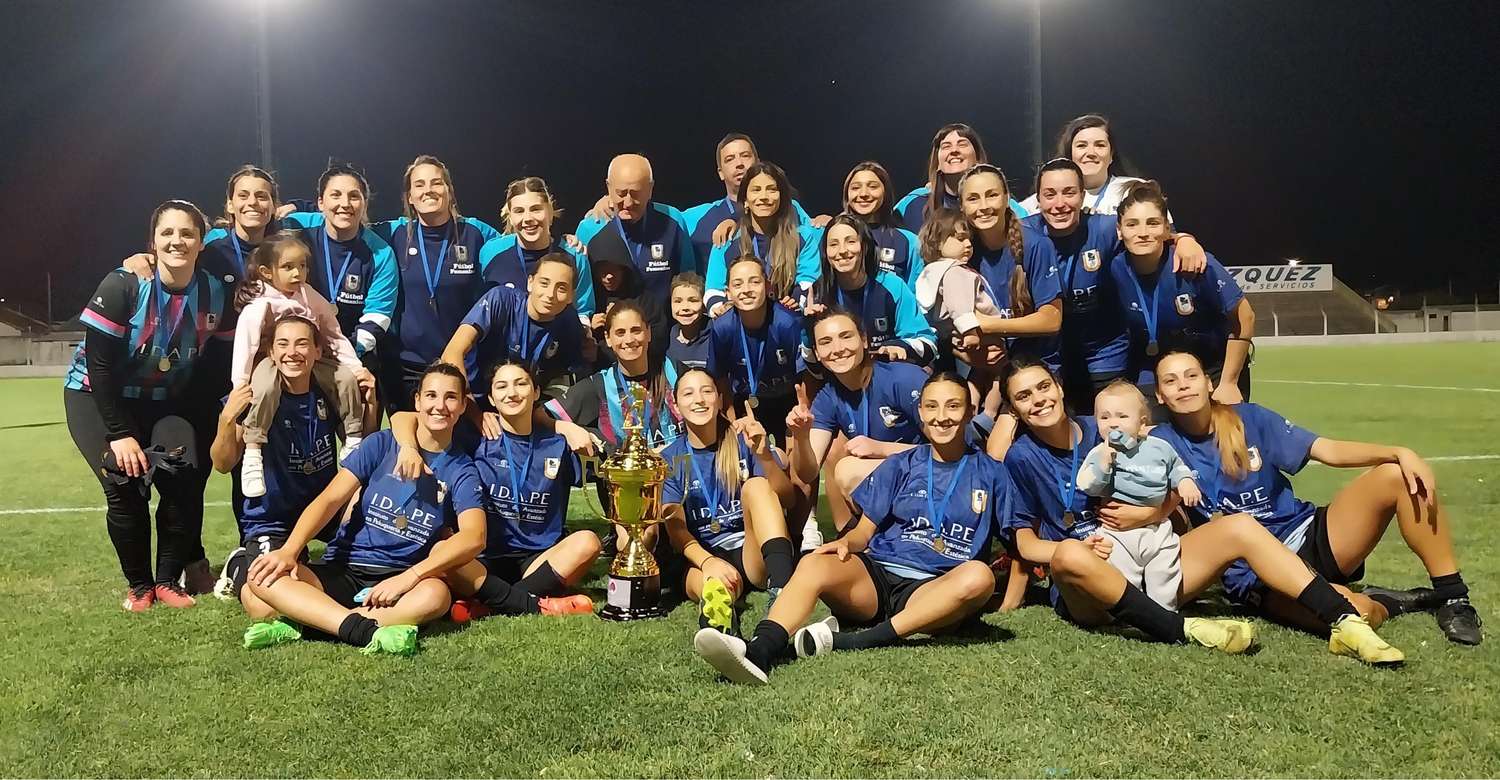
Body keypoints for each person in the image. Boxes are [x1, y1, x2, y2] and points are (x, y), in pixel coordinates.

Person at [997, 358, 1407, 665]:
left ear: (1060, 387)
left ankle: (1344, 622)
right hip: (1093, 581)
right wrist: (1075, 550)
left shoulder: (1111, 421)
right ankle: (1183, 629)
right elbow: (1024, 542)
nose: (1038, 400)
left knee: (1238, 526)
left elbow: (1171, 488)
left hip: (1152, 554)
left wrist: (1151, 514)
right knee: (1069, 554)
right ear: (1013, 409)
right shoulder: (1020, 458)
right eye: (1024, 396)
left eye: (1043, 387)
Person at [693, 372, 1018, 685]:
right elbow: (864, 533)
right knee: (815, 561)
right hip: (876, 578)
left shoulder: (992, 474)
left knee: (979, 576)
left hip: (933, 588)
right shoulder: (901, 464)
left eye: (953, 406)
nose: (941, 416)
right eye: (932, 406)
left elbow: (1017, 544)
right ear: (920, 411)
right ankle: (759, 649)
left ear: (969, 411)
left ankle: (857, 641)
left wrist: (1009, 600)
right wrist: (846, 543)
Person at [1150, 351, 1483, 645]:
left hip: (1307, 533)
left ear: (1209, 384)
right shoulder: (1157, 445)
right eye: (1171, 380)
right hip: (1258, 573)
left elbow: (1328, 450)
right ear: (1160, 396)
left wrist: (1398, 452)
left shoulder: (1249, 418)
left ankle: (1454, 598)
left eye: (1191, 375)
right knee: (1360, 613)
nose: (1183, 385)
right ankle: (1390, 601)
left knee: (1397, 476)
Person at [241, 363, 487, 655]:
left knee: (436, 596)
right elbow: (330, 499)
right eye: (431, 396)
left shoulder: (462, 469)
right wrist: (290, 550)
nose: (440, 406)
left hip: (399, 579)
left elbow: (474, 536)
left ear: (461, 405)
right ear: (417, 401)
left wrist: (409, 577)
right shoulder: (382, 444)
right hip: (345, 568)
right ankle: (363, 628)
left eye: (450, 397)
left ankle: (316, 621)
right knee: (256, 586)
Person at [64, 200, 236, 611]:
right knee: (123, 482)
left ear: (200, 243)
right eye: (168, 233)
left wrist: (219, 415)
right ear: (153, 243)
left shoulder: (215, 292)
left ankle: (166, 582)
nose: (177, 241)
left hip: (163, 400)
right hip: (96, 396)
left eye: (187, 234)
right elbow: (101, 366)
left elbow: (220, 363)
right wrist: (119, 433)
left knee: (182, 475)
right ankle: (139, 584)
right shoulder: (124, 285)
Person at [389, 362, 599, 621]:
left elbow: (604, 460)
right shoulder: (476, 436)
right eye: (502, 386)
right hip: (481, 559)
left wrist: (567, 427)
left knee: (588, 542)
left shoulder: (558, 444)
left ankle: (488, 606)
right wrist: (408, 447)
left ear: (536, 392)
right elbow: (403, 417)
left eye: (521, 384)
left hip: (538, 558)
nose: (512, 393)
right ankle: (530, 602)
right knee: (442, 551)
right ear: (491, 398)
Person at [208, 316, 380, 616]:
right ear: (271, 353)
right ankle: (240, 566)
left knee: (379, 550)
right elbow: (223, 464)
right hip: (270, 518)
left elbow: (363, 453)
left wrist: (371, 403)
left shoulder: (331, 389)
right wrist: (226, 421)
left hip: (323, 511)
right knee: (269, 599)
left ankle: (311, 565)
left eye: (302, 343)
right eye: (283, 344)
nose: (292, 352)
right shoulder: (255, 396)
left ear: (317, 351)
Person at [1023, 158, 1205, 413]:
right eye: (1049, 195)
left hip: (1105, 353)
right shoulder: (1023, 233)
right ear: (1038, 200)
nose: (1059, 204)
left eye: (1069, 193)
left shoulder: (1105, 227)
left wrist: (1185, 239)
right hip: (1052, 357)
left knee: (1113, 423)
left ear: (1083, 195)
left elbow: (1150, 232)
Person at [231, 234, 373, 497]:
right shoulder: (260, 304)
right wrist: (240, 383)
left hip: (309, 362)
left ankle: (353, 440)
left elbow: (333, 333)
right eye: (288, 267)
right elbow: (246, 346)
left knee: (344, 378)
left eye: (303, 266)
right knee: (263, 388)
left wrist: (354, 367)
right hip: (271, 364)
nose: (298, 273)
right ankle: (253, 452)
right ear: (266, 272)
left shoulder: (308, 294)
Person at [661, 368, 798, 637]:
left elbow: (788, 499)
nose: (699, 399)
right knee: (711, 588)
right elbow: (675, 529)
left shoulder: (743, 441)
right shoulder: (671, 458)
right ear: (675, 405)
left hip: (752, 553)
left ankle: (782, 590)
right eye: (688, 393)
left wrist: (766, 457)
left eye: (707, 391)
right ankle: (723, 634)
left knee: (757, 485)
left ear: (720, 399)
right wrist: (708, 562)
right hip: (703, 557)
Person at [1110, 181, 1253, 407]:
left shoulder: (1194, 262)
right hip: (1159, 367)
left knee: (1222, 437)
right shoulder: (1115, 268)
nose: (1143, 233)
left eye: (1153, 223)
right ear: (1119, 230)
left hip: (1214, 367)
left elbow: (1245, 317)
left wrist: (1229, 382)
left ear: (1168, 229)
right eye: (1132, 224)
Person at [786, 310, 927, 537]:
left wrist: (882, 449)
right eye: (826, 342)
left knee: (848, 468)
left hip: (932, 479)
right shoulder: (827, 398)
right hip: (888, 486)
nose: (838, 348)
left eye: (846, 336)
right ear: (818, 354)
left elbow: (956, 451)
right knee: (839, 458)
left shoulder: (905, 379)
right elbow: (807, 472)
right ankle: (865, 536)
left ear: (864, 340)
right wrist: (801, 437)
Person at [1076, 382, 1201, 610]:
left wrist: (1185, 483)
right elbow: (1086, 486)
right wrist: (1104, 465)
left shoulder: (1159, 448)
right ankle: (1134, 613)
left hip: (1158, 528)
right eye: (1104, 417)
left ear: (1142, 422)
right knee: (1121, 573)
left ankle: (1164, 610)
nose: (1113, 422)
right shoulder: (1100, 452)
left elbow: (1177, 467)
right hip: (1117, 532)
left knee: (1164, 570)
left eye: (1122, 416)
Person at [276, 163, 399, 360]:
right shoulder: (299, 232)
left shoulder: (381, 254)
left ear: (364, 203)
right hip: (295, 352)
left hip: (350, 353)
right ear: (320, 203)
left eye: (354, 196)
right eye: (336, 195)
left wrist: (343, 353)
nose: (345, 203)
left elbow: (378, 317)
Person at [441, 254, 588, 403]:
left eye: (561, 288)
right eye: (544, 283)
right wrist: (472, 410)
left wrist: (543, 411)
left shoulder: (568, 319)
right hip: (476, 400)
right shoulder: (501, 300)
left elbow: (575, 372)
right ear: (530, 283)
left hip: (526, 406)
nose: (550, 294)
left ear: (571, 296)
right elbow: (452, 353)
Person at [548, 300, 685, 453]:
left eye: (636, 330)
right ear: (608, 338)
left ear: (648, 333)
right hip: (626, 475)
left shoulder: (675, 371)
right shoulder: (600, 385)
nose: (629, 340)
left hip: (682, 472)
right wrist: (569, 430)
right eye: (620, 333)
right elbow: (541, 416)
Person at [806, 215, 936, 365]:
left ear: (865, 246)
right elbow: (812, 368)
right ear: (825, 252)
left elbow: (929, 344)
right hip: (841, 376)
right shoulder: (817, 293)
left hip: (886, 372)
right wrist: (808, 331)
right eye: (833, 244)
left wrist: (901, 347)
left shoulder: (892, 286)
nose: (842, 250)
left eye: (851, 242)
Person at [680, 133, 821, 270]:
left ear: (757, 162)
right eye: (730, 159)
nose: (739, 164)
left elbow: (821, 239)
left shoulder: (789, 207)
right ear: (720, 172)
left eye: (745, 156)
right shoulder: (698, 217)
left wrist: (829, 223)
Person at [704, 256, 806, 444]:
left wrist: (803, 412)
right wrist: (732, 421)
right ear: (728, 292)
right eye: (738, 284)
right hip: (745, 402)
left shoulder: (787, 323)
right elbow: (720, 379)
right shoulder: (722, 328)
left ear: (768, 287)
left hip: (788, 402)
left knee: (793, 464)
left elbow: (804, 375)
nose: (746, 290)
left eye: (755, 282)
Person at [574, 154, 696, 311]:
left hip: (663, 331)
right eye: (621, 193)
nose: (628, 203)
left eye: (636, 193)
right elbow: (579, 294)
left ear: (650, 189)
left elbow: (690, 280)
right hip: (611, 333)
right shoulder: (589, 229)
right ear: (608, 187)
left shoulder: (673, 221)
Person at [703, 161, 822, 315]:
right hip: (741, 325)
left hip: (789, 324)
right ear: (745, 200)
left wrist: (796, 301)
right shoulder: (727, 239)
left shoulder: (803, 237)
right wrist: (721, 309)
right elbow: (713, 290)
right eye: (756, 190)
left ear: (782, 197)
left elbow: (808, 282)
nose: (764, 197)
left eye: (772, 189)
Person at [480, 176, 595, 325]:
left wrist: (583, 334)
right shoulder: (491, 251)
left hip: (556, 346)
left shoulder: (574, 254)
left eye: (535, 209)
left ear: (549, 210)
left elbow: (583, 312)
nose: (527, 218)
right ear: (510, 216)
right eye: (519, 211)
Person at [914, 207, 1007, 368]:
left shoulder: (937, 270)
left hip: (973, 336)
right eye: (960, 238)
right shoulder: (954, 271)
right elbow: (959, 305)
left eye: (969, 239)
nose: (968, 244)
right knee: (995, 376)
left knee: (983, 378)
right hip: (977, 337)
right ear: (937, 242)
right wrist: (969, 332)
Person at [894, 123, 1022, 233]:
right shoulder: (914, 203)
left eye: (962, 144)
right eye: (946, 146)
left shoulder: (1003, 203)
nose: (954, 150)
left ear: (977, 157)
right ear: (937, 162)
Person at [1018, 114, 1156, 217]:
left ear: (1111, 154)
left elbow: (1166, 235)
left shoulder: (1134, 190)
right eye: (1081, 145)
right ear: (1069, 153)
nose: (1090, 152)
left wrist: (1179, 240)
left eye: (1100, 145)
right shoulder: (1041, 201)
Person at [840, 161, 924, 288]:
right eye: (855, 188)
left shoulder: (908, 241)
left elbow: (915, 295)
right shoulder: (833, 236)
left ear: (885, 191)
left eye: (873, 187)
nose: (863, 194)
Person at [666, 273, 711, 371]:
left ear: (703, 304)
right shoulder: (668, 337)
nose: (685, 307)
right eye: (678, 301)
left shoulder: (716, 335)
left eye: (693, 300)